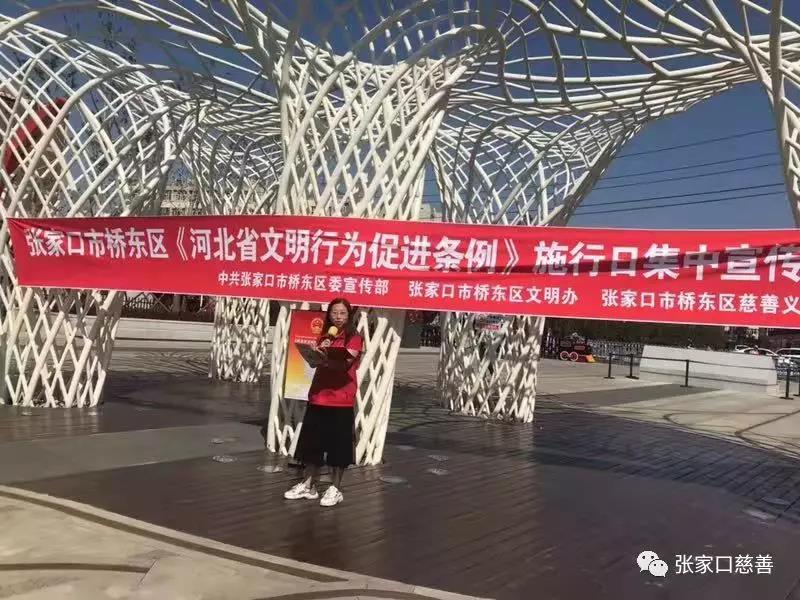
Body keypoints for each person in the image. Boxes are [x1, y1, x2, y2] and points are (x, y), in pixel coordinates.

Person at [284, 298, 363, 507]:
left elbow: (345, 366)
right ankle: (308, 485)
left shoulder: (354, 338)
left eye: (342, 313)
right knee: (312, 444)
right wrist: (314, 354)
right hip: (319, 395)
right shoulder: (325, 336)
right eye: (334, 313)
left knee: (338, 446)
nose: (338, 317)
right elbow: (314, 363)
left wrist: (326, 359)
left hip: (341, 399)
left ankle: (335, 488)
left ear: (349, 315)